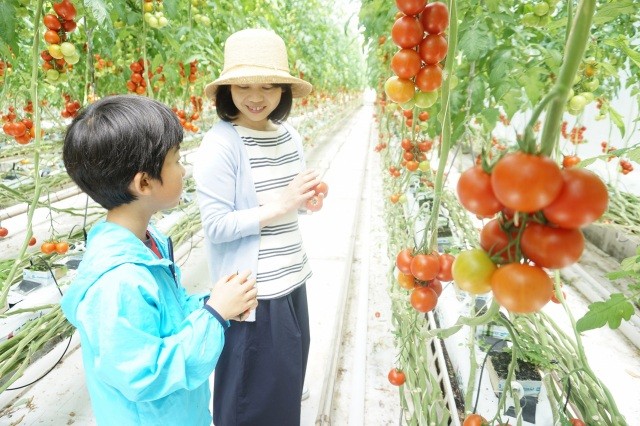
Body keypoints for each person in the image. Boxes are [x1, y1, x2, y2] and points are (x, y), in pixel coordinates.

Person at [60, 94, 258, 426]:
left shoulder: (147, 245)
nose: (184, 169)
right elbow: (146, 374)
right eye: (177, 160)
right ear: (145, 182)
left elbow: (170, 317)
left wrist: (209, 303)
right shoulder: (119, 282)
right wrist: (214, 315)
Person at [193, 28, 319, 425]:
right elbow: (216, 225)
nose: (256, 96)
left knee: (282, 397)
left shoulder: (289, 136)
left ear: (283, 90)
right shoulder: (221, 145)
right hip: (253, 296)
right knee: (249, 404)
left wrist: (305, 202)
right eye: (244, 85)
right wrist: (280, 203)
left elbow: (287, 205)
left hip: (292, 283)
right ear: (226, 89)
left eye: (268, 85)